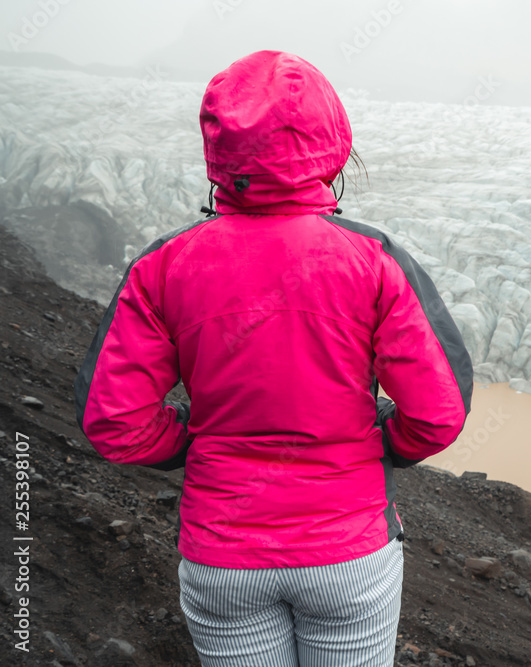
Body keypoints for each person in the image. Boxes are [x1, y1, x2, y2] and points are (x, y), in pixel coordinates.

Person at [74, 50, 474, 667]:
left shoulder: (163, 266)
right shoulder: (374, 260)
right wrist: (380, 444)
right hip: (347, 552)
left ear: (218, 148)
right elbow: (437, 413)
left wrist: (193, 446)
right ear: (331, 143)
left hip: (222, 552)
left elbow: (113, 420)